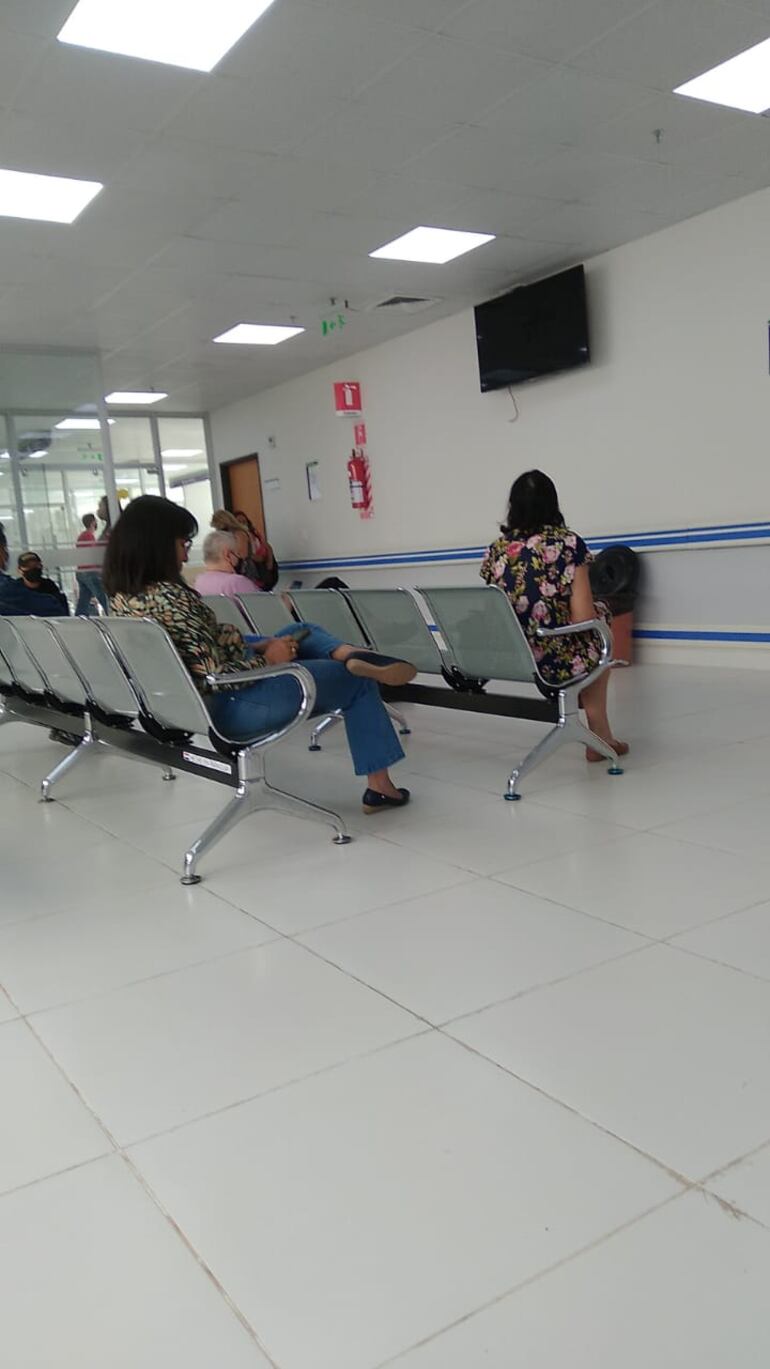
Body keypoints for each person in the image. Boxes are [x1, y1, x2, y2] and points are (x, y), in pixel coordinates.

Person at [103, 496, 416, 812]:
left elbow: (196, 650)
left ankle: (349, 653)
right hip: (236, 705)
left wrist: (261, 645)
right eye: (183, 541)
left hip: (193, 707)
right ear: (158, 544)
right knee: (355, 680)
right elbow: (218, 676)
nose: (187, 551)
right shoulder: (174, 600)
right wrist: (270, 659)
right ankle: (381, 786)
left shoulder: (124, 599)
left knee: (298, 631)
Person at [480, 470, 627, 762]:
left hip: (511, 655)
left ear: (513, 507)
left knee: (590, 633)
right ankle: (599, 733)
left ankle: (599, 734)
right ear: (553, 504)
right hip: (553, 656)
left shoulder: (497, 551)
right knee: (599, 626)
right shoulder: (567, 544)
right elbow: (582, 616)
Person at [0, 524, 67, 616]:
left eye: (36, 565)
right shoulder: (9, 591)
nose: (33, 569)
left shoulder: (49, 585)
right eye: (28, 566)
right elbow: (56, 610)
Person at [194, 529, 266, 599]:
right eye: (237, 553)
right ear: (227, 555)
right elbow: (262, 607)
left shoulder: (199, 581)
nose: (239, 558)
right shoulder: (236, 582)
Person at [234, 509, 278, 591]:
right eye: (239, 522)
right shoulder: (235, 538)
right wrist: (254, 557)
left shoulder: (256, 535)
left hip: (264, 573)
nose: (242, 524)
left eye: (244, 521)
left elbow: (268, 547)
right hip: (250, 575)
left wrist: (269, 563)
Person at [75, 513, 108, 616]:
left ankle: (77, 621)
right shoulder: (88, 536)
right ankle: (113, 615)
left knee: (83, 601)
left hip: (81, 572)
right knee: (103, 597)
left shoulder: (82, 535)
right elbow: (93, 555)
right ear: (93, 522)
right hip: (89, 572)